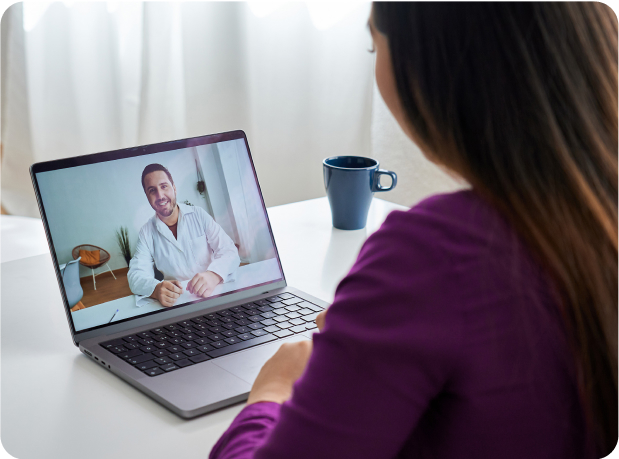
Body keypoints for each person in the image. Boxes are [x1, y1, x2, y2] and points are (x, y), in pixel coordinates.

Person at [210, 3, 617, 458]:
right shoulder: (597, 218)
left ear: (430, 66)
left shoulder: (430, 256)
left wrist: (272, 391)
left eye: (373, 45)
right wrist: (372, 336)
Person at [128, 163, 240, 307]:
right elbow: (135, 276)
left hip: (215, 292)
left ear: (174, 188)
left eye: (164, 186)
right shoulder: (146, 232)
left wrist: (214, 275)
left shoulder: (198, 214)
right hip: (179, 302)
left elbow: (229, 250)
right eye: (152, 190)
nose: (160, 195)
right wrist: (156, 289)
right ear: (147, 196)